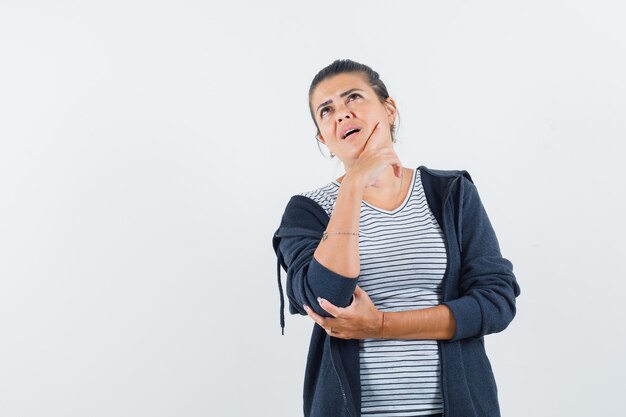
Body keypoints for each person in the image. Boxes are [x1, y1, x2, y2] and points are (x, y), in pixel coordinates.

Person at [272, 59, 520, 417]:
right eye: (326, 111)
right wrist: (354, 184)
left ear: (389, 109)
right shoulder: (308, 211)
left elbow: (496, 302)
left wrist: (382, 326)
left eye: (353, 98)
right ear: (323, 138)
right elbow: (328, 296)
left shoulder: (450, 193)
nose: (341, 114)